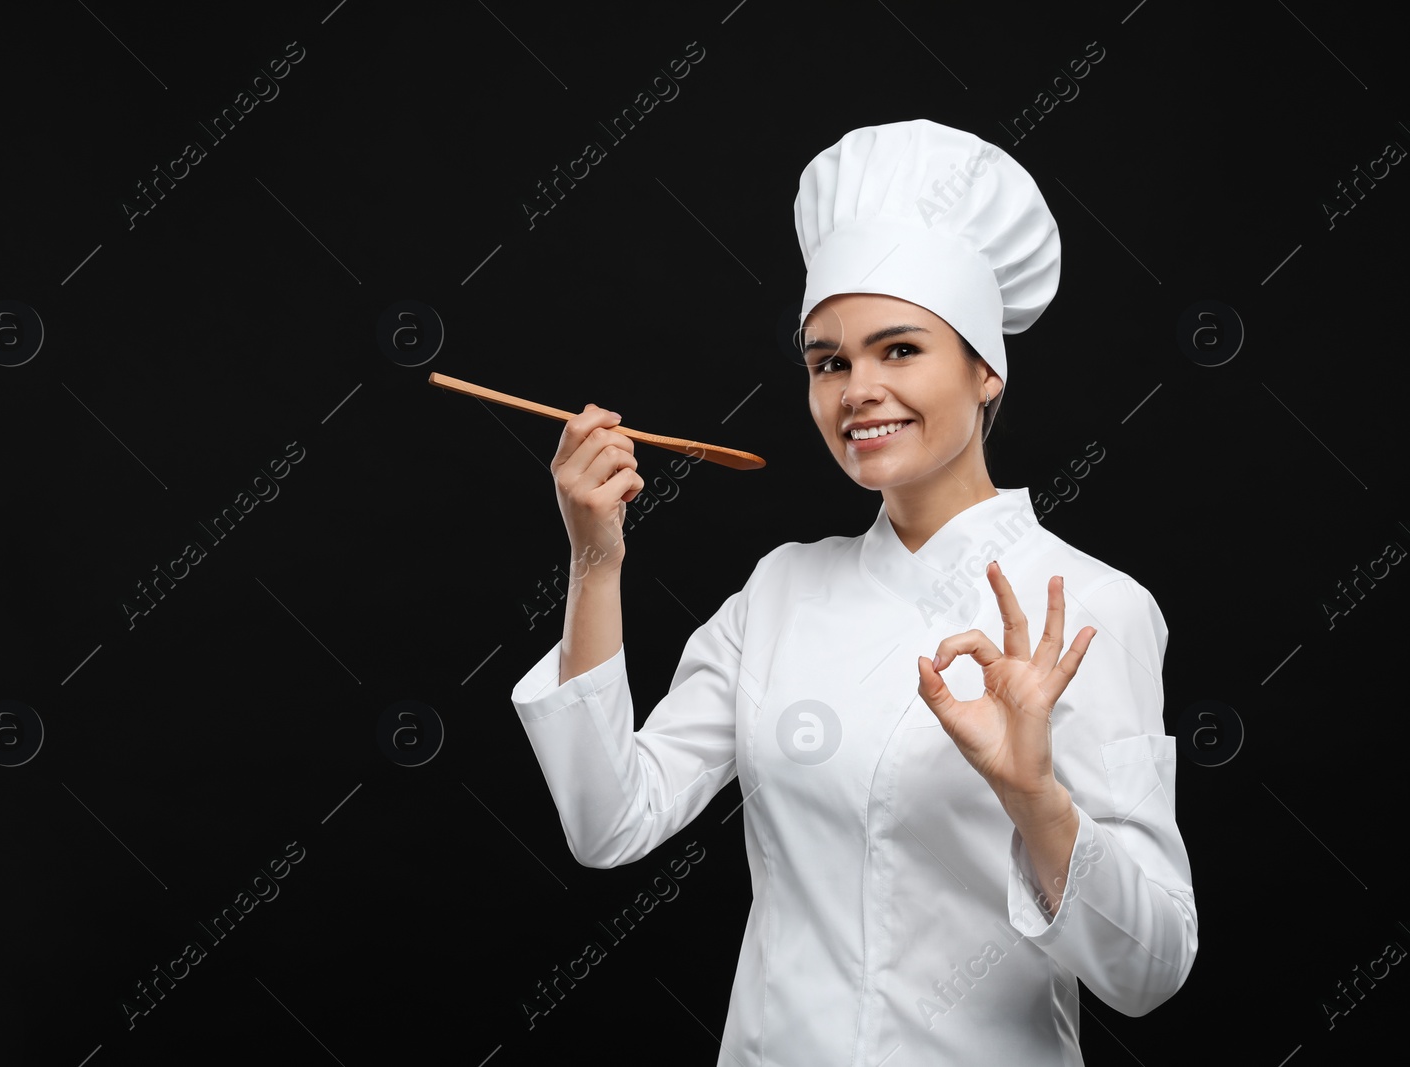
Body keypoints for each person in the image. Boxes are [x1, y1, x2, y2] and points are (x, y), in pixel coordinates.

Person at [510, 119, 1197, 1066]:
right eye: (828, 361)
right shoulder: (781, 590)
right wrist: (596, 560)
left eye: (900, 349)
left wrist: (1032, 794)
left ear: (986, 367)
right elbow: (609, 819)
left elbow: (1149, 969)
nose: (857, 390)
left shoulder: (1091, 605)